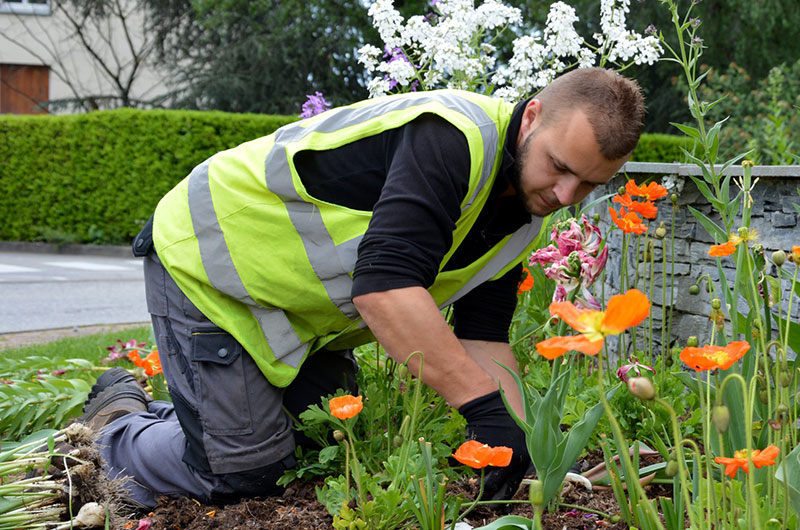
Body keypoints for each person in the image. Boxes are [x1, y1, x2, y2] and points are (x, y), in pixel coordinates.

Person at [79, 67, 645, 508]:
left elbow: (484, 334)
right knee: (244, 472)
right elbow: (384, 288)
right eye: (559, 166)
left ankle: (183, 412)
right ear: (532, 117)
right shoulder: (451, 140)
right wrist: (481, 406)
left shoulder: (523, 215)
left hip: (291, 310)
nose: (567, 195)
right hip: (210, 268)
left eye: (590, 184)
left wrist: (524, 445)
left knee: (329, 445)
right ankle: (108, 436)